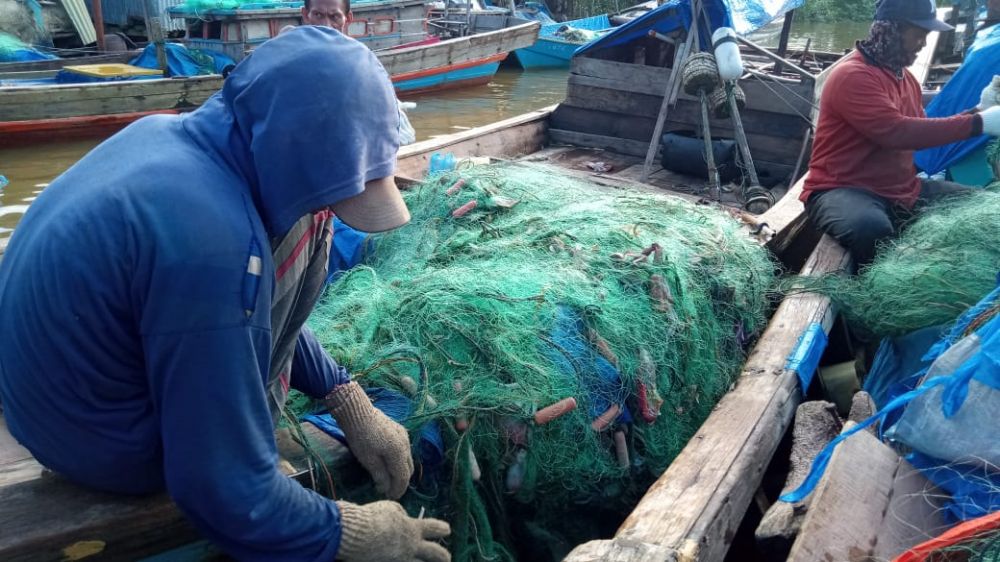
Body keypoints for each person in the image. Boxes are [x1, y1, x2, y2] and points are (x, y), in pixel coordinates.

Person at [0, 27, 449, 562]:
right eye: (340, 186)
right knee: (240, 483)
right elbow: (221, 492)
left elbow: (247, 310)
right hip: (105, 445)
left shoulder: (170, 134)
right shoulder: (213, 245)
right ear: (289, 153)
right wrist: (347, 530)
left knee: (307, 224)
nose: (338, 203)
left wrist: (343, 395)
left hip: (48, 402)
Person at [802, 0, 1000, 266]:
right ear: (893, 29)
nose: (923, 42)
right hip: (842, 189)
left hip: (902, 190)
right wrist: (979, 124)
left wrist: (978, 109)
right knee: (871, 229)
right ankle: (868, 292)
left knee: (980, 203)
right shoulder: (853, 75)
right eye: (919, 33)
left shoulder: (905, 79)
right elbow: (897, 133)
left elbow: (921, 132)